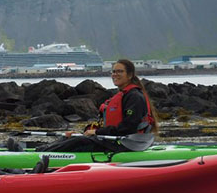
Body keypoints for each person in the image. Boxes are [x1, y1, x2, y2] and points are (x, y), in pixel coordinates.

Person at [22, 59, 159, 153]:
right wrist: (88, 131)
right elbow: (112, 127)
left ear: (129, 75)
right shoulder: (123, 95)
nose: (115, 74)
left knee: (79, 142)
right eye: (113, 71)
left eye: (119, 71)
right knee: (73, 137)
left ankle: (39, 154)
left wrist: (97, 133)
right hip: (116, 140)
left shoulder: (134, 97)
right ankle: (39, 150)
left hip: (130, 143)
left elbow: (128, 127)